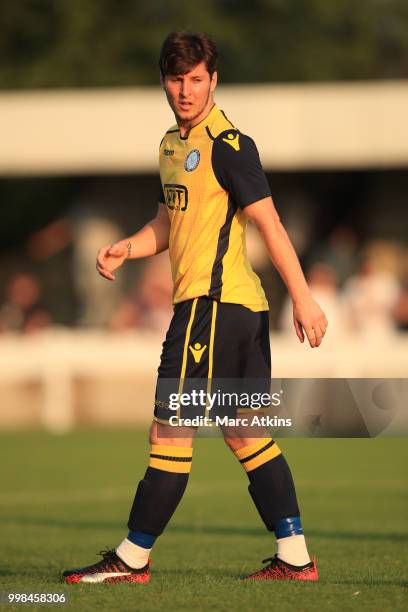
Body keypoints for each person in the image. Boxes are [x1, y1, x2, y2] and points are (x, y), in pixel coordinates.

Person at [63, 31, 327, 585]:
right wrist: (127, 248)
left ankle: (131, 558)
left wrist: (303, 296)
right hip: (236, 310)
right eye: (177, 79)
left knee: (169, 432)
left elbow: (269, 223)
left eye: (197, 79)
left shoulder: (229, 144)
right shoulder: (169, 146)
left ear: (214, 79)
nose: (186, 91)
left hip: (214, 307)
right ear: (164, 80)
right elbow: (167, 224)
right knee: (245, 433)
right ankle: (296, 558)